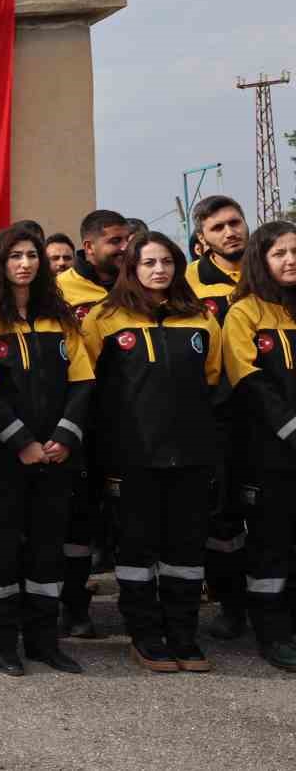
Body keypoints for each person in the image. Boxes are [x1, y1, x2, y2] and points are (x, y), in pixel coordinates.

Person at [0, 226, 92, 676]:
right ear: (0, 262)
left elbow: (83, 382)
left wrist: (64, 436)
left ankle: (44, 642)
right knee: (3, 548)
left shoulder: (61, 318)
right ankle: (2, 643)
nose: (25, 263)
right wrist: (23, 443)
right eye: (15, 256)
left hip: (57, 454)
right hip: (3, 458)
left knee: (48, 549)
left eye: (32, 255)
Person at [82, 232, 221, 673]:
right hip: (131, 458)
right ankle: (144, 635)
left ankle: (183, 635)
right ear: (132, 269)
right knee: (137, 549)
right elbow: (87, 384)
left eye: (166, 262)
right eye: (149, 263)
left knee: (185, 550)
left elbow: (214, 379)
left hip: (190, 456)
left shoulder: (201, 318)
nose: (159, 270)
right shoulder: (104, 318)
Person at [222, 221, 296, 671]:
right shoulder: (243, 313)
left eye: (295, 251)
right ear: (261, 261)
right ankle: (273, 633)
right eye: (279, 253)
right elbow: (249, 380)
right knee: (272, 543)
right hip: (269, 452)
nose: (290, 260)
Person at [56, 208, 132, 639]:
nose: (124, 249)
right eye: (115, 241)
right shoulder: (60, 290)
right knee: (77, 522)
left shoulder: (138, 284)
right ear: (89, 246)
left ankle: (139, 609)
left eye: (127, 240)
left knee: (131, 520)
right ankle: (74, 607)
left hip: (131, 423)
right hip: (81, 424)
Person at [187, 195, 251, 640]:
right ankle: (231, 604)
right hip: (216, 416)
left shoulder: (268, 271)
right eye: (218, 227)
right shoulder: (188, 282)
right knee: (222, 516)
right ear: (202, 239)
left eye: (235, 222)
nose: (230, 232)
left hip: (271, 413)